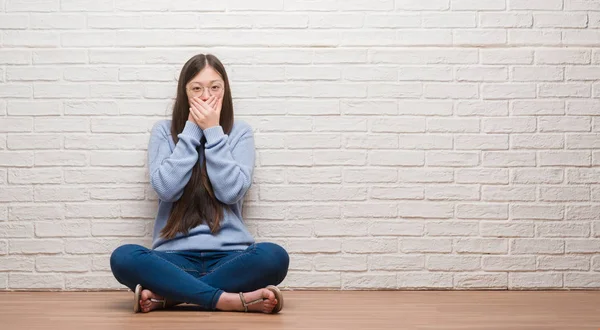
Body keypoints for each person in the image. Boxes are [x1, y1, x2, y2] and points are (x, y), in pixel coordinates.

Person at [109, 54, 289, 314]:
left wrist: (214, 132)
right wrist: (192, 131)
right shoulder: (163, 131)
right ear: (184, 93)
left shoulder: (240, 133)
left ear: (225, 91)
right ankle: (227, 300)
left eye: (215, 87)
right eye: (197, 88)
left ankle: (170, 297)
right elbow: (166, 190)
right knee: (123, 257)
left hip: (230, 258)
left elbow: (230, 192)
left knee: (274, 257)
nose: (206, 96)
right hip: (173, 260)